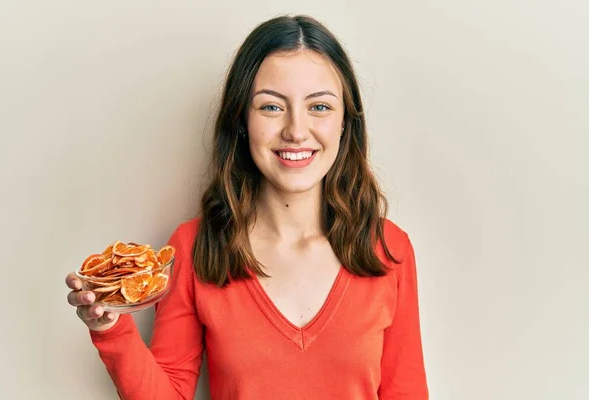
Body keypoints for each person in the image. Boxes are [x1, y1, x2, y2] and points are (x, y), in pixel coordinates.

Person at [65, 14, 429, 400]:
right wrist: (110, 328)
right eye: (271, 107)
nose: (296, 130)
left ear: (345, 123)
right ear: (241, 120)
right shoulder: (196, 247)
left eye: (319, 107)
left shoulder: (389, 250)